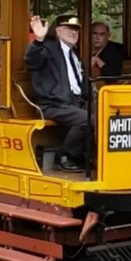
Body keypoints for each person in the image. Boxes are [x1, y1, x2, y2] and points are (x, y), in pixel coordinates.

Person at [24, 13, 89, 173]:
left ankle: (90, 157)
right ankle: (64, 156)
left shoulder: (73, 54)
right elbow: (32, 59)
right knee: (87, 120)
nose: (73, 33)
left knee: (107, 116)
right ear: (57, 31)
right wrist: (38, 40)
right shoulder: (47, 48)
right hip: (53, 104)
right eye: (68, 29)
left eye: (76, 30)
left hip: (73, 102)